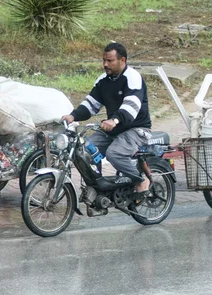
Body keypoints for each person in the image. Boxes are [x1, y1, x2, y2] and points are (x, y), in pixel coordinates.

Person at [62, 42, 152, 194]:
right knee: (84, 150)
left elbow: (131, 107)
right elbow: (91, 104)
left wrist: (114, 120)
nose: (105, 64)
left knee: (114, 154)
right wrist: (73, 115)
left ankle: (141, 181)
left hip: (136, 129)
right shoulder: (103, 80)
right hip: (113, 129)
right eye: (104, 60)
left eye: (110, 61)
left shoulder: (133, 78)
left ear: (122, 60)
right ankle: (97, 186)